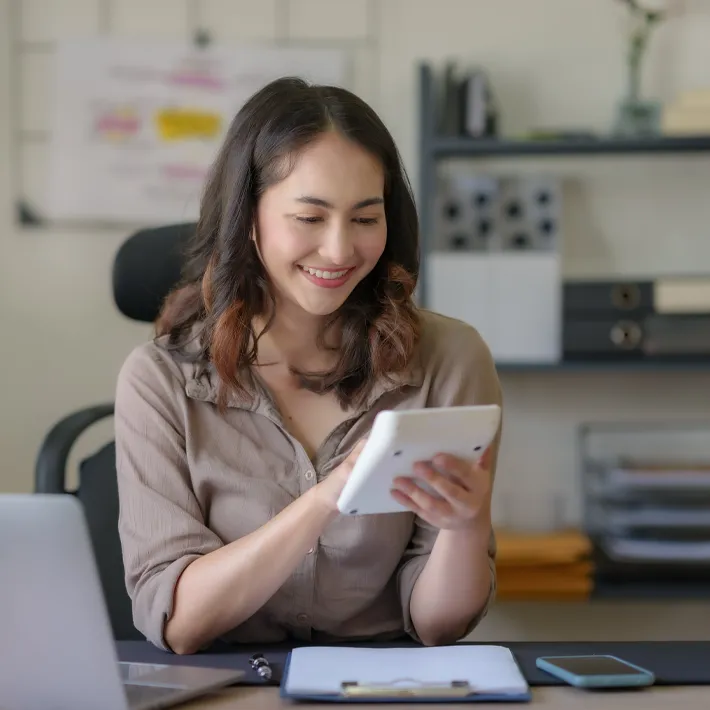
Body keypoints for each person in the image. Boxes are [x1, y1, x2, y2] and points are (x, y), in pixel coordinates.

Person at [115, 76, 503, 656]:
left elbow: (439, 624)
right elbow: (178, 622)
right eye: (310, 217)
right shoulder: (159, 381)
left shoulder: (451, 360)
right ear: (249, 217)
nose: (341, 250)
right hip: (227, 686)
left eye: (366, 219)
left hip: (383, 686)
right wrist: (329, 497)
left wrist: (466, 524)